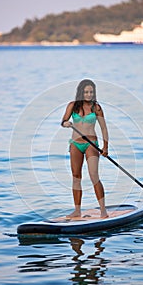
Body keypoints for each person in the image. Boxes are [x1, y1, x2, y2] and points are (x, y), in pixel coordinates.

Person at [61, 79, 109, 218]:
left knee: (94, 175)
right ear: (81, 92)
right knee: (76, 177)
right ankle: (77, 210)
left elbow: (104, 128)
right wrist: (66, 123)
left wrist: (105, 146)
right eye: (86, 92)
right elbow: (63, 122)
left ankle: (103, 211)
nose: (88, 94)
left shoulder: (97, 107)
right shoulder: (72, 105)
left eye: (91, 92)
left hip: (91, 144)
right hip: (75, 144)